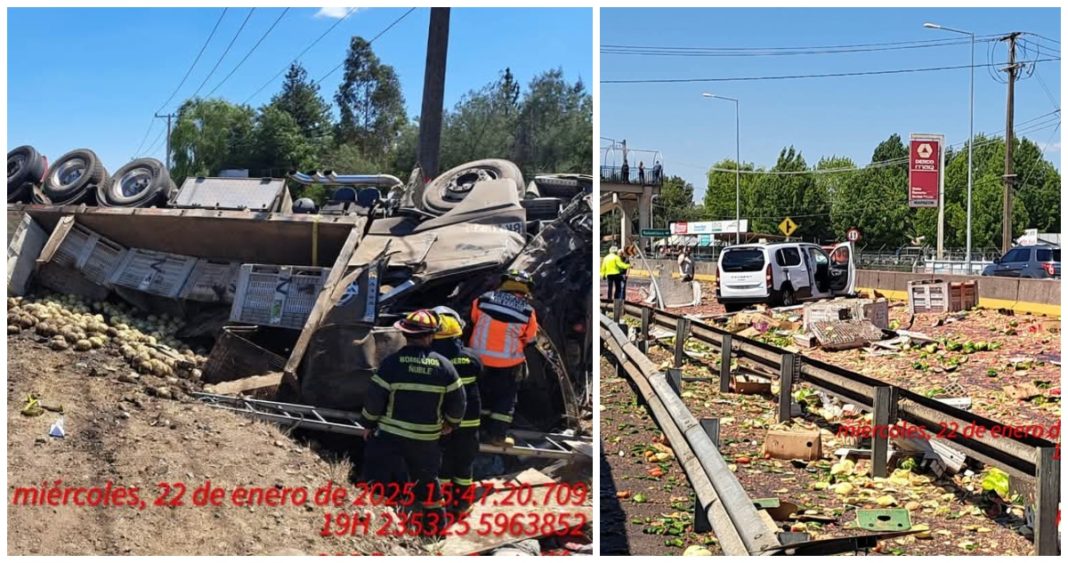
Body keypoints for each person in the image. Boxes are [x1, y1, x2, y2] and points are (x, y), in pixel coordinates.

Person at [361, 309, 465, 532]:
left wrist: (368, 424)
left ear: (405, 334)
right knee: (428, 484)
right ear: (431, 335)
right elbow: (458, 403)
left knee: (377, 478)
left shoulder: (391, 364)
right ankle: (435, 530)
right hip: (425, 439)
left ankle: (372, 526)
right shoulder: (445, 367)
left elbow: (374, 399)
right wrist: (451, 424)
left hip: (389, 436)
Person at [468, 270, 538, 447]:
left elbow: (474, 320)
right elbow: (531, 339)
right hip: (508, 363)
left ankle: (472, 432)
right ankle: (497, 436)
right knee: (504, 400)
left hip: (477, 359)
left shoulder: (483, 299)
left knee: (478, 395)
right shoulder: (527, 311)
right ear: (526, 289)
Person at [431, 306, 483, 516]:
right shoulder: (472, 358)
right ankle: (462, 505)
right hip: (469, 422)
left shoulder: (432, 359)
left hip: (441, 422)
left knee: (442, 462)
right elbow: (482, 377)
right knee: (464, 463)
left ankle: (440, 503)